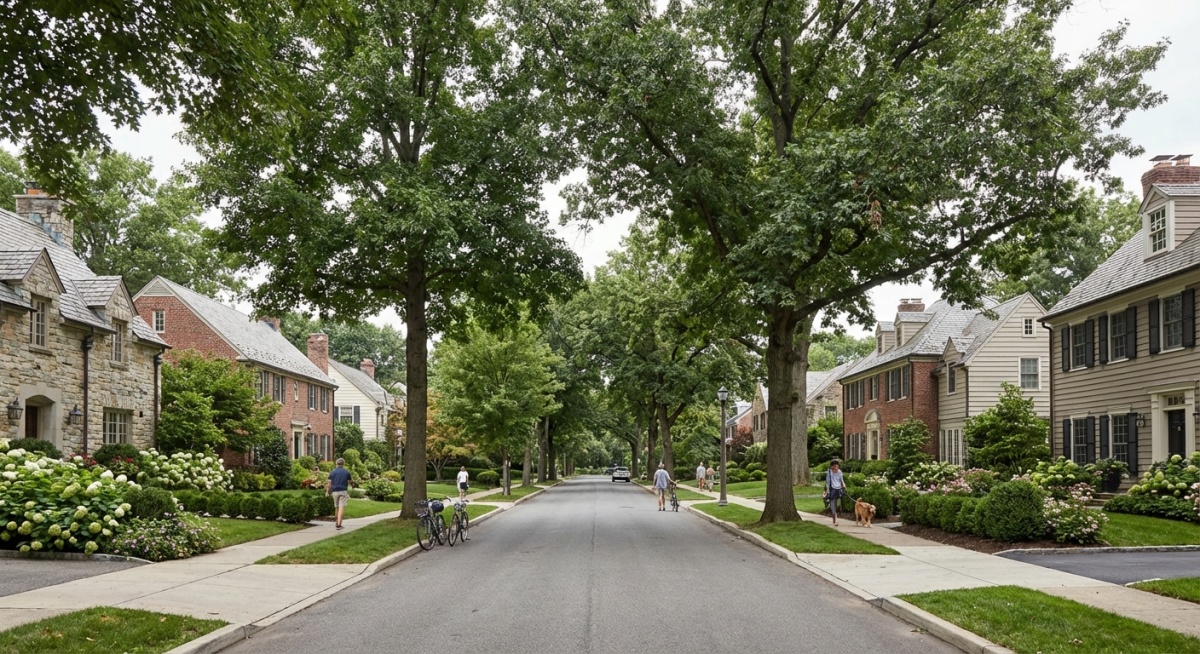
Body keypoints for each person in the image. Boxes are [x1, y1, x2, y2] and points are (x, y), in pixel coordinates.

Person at [326, 457, 352, 530]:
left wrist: (327, 491)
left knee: (336, 507)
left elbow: (329, 483)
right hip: (343, 491)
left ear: (336, 464)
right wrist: (353, 485)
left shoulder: (333, 472)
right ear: (343, 464)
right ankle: (339, 524)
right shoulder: (346, 472)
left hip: (335, 492)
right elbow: (350, 481)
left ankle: (337, 522)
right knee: (341, 507)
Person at [824, 459, 846, 527]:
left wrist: (844, 485)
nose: (836, 468)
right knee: (833, 504)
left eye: (837, 466)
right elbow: (827, 482)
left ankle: (834, 518)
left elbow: (841, 479)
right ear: (832, 467)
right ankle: (835, 519)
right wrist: (827, 491)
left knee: (835, 504)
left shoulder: (839, 472)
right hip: (832, 489)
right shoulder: (829, 472)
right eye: (835, 466)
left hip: (838, 489)